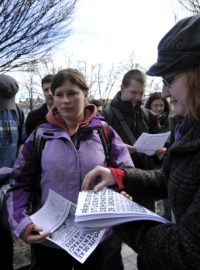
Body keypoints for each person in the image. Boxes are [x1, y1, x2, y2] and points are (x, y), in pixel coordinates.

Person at [82, 14, 200, 270]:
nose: (165, 93)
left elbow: (185, 252)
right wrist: (120, 176)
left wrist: (116, 213)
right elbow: (170, 177)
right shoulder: (189, 124)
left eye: (170, 80)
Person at [6, 68, 133, 270]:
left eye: (72, 93)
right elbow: (19, 184)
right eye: (59, 94)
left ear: (85, 95)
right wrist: (22, 224)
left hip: (98, 239)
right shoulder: (40, 136)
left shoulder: (104, 132)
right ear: (52, 97)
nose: (65, 100)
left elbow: (128, 174)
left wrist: (120, 188)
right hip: (49, 238)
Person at [103, 69, 161, 211]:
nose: (137, 98)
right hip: (120, 184)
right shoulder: (106, 116)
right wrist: (118, 148)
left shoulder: (149, 116)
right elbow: (100, 150)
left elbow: (160, 147)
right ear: (122, 88)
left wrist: (160, 153)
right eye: (134, 92)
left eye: (141, 93)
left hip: (145, 183)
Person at [0, 74, 26, 270]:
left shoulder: (16, 111)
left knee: (4, 235)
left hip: (6, 184)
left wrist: (18, 164)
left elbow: (20, 142)